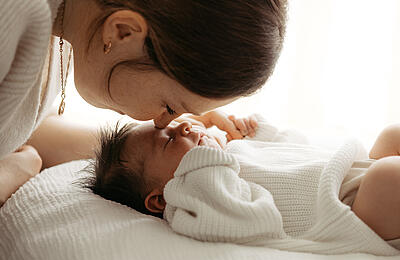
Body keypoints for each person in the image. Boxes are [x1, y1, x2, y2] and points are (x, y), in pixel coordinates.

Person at [0, 0, 288, 205]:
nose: (166, 121)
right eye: (171, 107)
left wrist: (160, 156)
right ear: (123, 31)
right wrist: (13, 173)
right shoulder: (11, 18)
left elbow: (19, 125)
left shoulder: (64, 26)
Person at [84, 111, 400, 255]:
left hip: (348, 172)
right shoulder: (193, 203)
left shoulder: (225, 152)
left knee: (391, 134)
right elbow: (253, 219)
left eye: (178, 126)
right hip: (352, 212)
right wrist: (206, 162)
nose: (183, 129)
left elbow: (294, 153)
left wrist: (260, 134)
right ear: (158, 199)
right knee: (388, 177)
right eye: (168, 141)